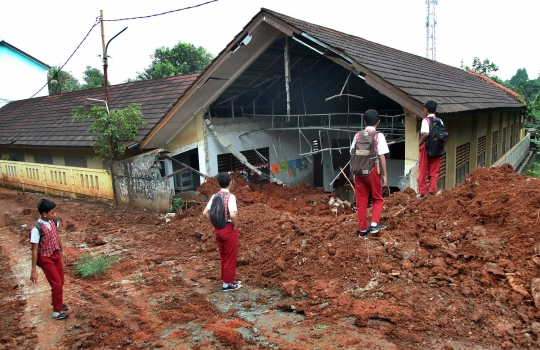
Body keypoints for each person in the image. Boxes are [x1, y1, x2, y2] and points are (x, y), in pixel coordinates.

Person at [350, 109, 389, 237]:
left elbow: (352, 153)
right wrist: (384, 174)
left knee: (361, 202)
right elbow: (381, 156)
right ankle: (373, 225)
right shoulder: (379, 136)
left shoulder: (357, 135)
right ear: (378, 122)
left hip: (358, 172)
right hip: (372, 171)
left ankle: (362, 230)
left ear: (364, 122)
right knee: (377, 198)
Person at [30, 199, 69, 320]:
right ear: (44, 214)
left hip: (55, 253)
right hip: (45, 257)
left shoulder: (53, 221)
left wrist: (62, 250)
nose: (55, 214)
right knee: (56, 283)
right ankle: (57, 311)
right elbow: (34, 250)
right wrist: (33, 270)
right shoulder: (36, 229)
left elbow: (56, 235)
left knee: (60, 280)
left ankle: (56, 301)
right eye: (52, 212)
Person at [202, 173, 242, 291]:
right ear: (230, 183)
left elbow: (205, 213)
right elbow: (232, 214)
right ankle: (227, 284)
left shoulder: (215, 196)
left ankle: (227, 280)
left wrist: (214, 224)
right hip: (228, 228)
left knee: (223, 256)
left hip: (218, 229)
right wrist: (235, 225)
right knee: (230, 257)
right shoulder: (230, 196)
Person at [417, 100, 442, 198]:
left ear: (426, 110)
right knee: (434, 171)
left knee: (423, 169)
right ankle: (432, 191)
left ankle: (422, 192)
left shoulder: (425, 121)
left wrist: (420, 143)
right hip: (437, 148)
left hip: (426, 147)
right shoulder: (440, 121)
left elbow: (426, 134)